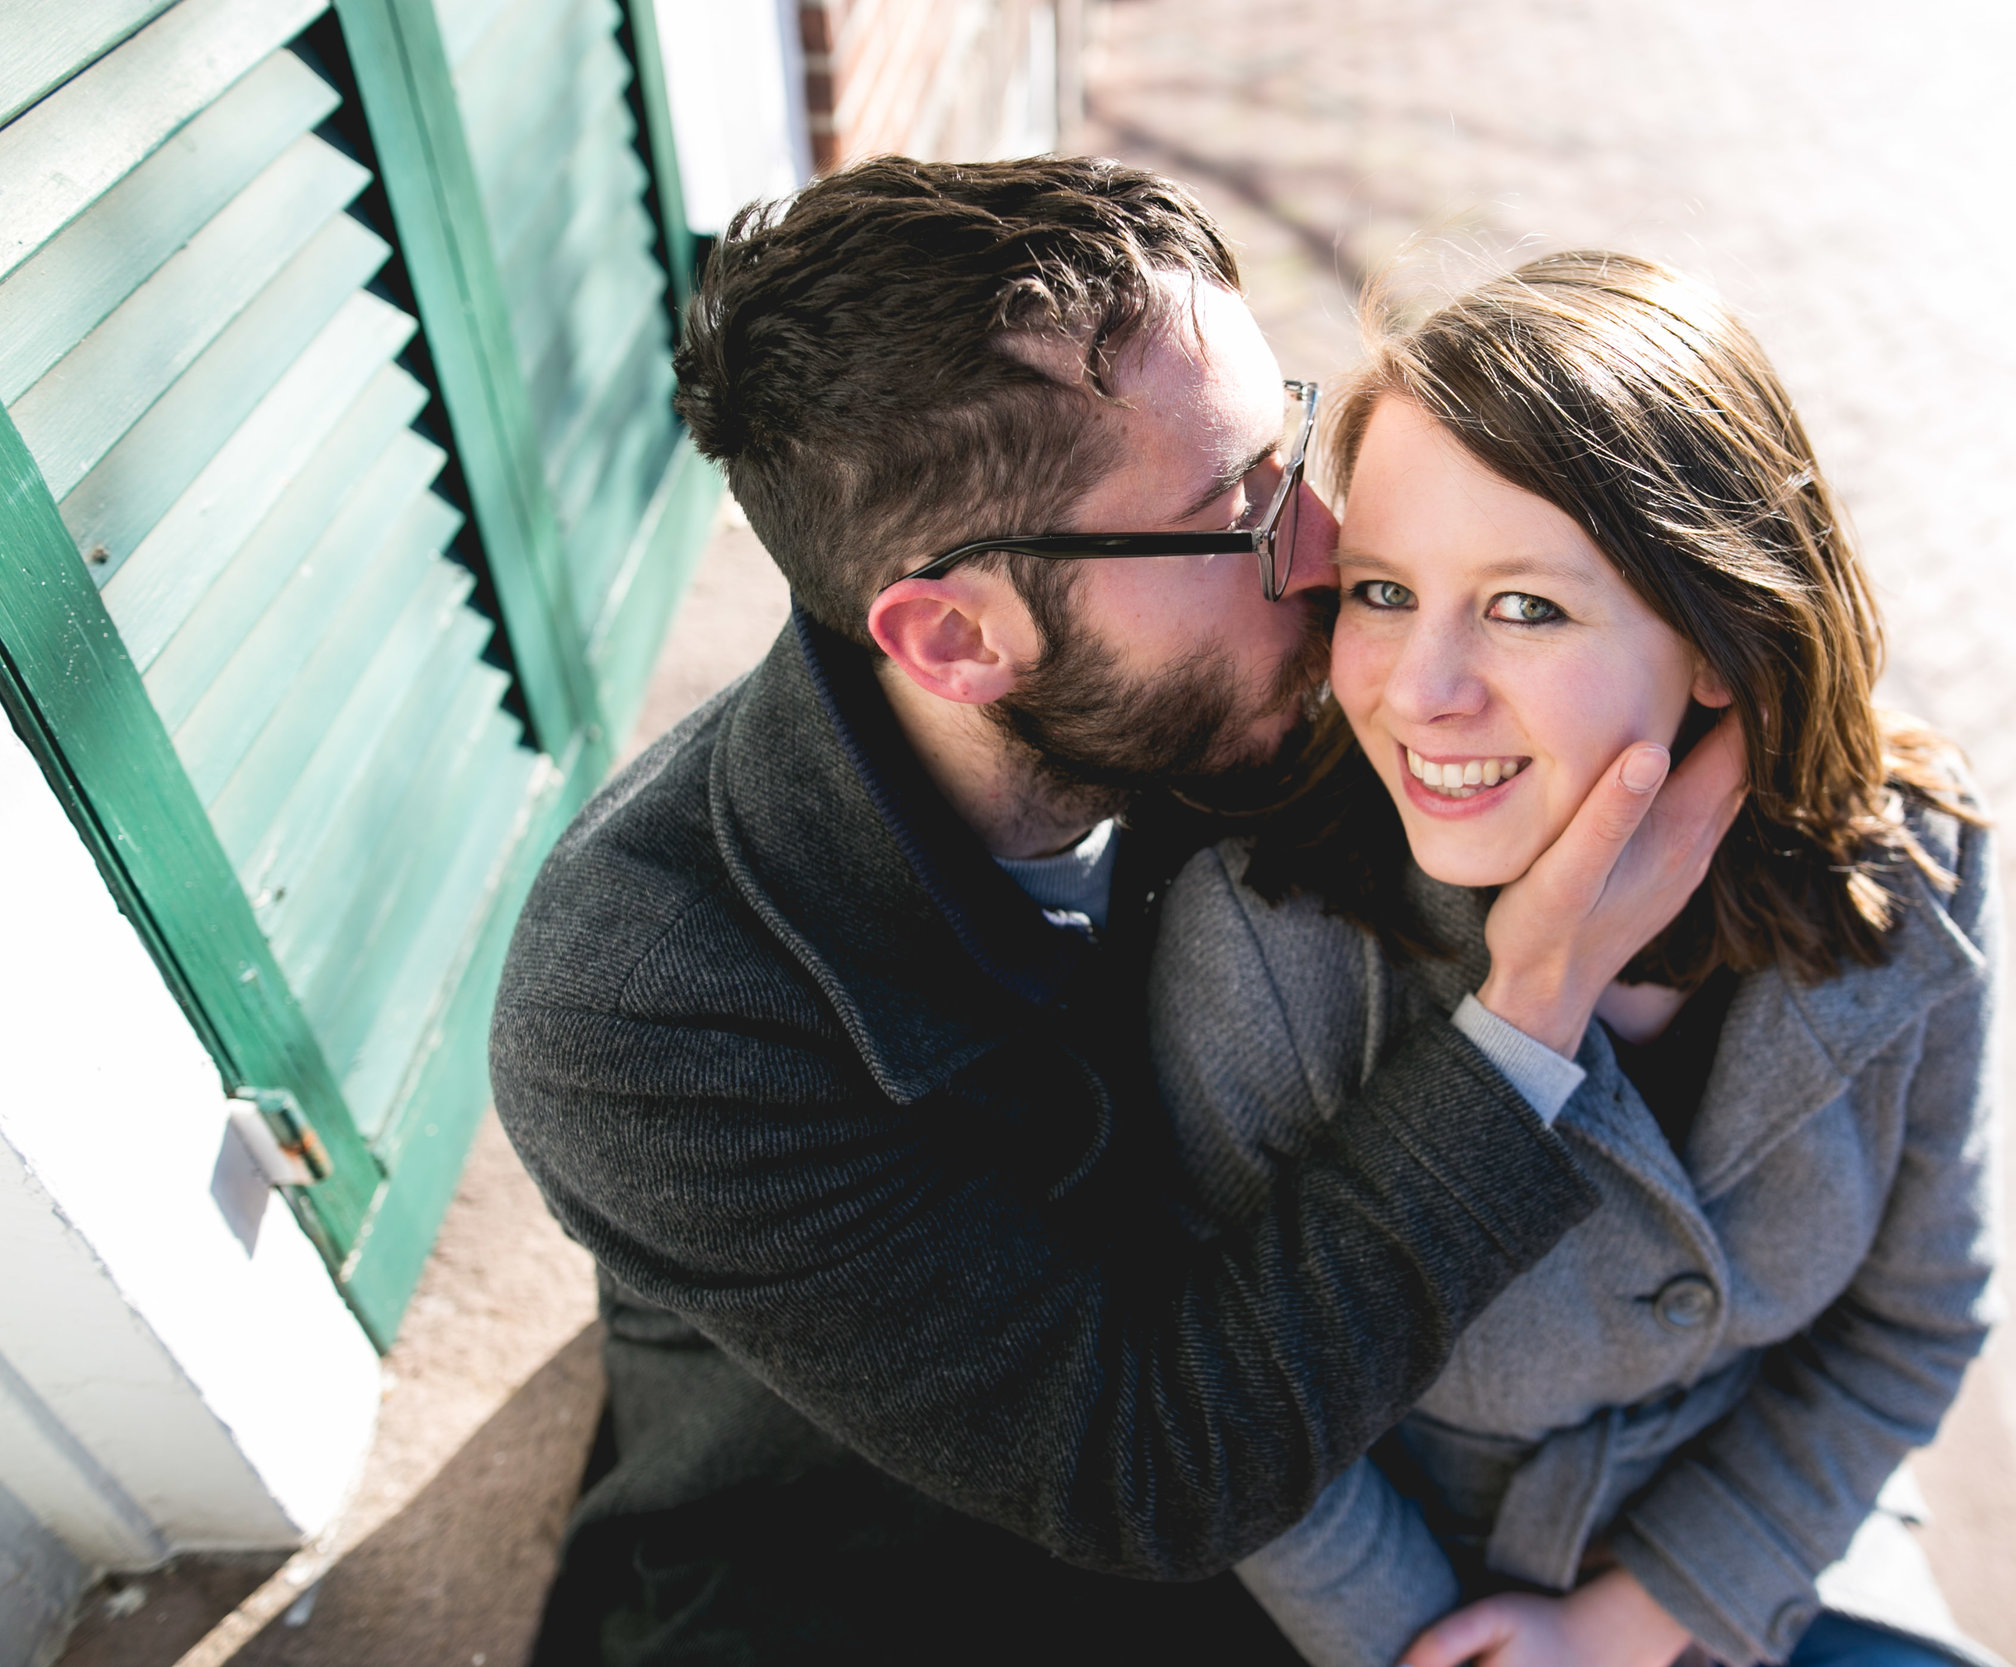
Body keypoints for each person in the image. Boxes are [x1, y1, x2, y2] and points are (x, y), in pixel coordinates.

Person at [489, 159, 1745, 1663]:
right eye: (1240, 513)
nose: (1330, 553)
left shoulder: (1249, 690)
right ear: (956, 638)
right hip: (901, 1565)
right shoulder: (646, 1011)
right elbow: (1145, 1473)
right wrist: (1532, 1006)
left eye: (1291, 454)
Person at [1147, 253, 2001, 1667]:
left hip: (1775, 1556)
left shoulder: (1911, 870)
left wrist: (1641, 1618)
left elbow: (1918, 1323)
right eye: (1380, 592)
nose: (1419, 690)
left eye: (1525, 608)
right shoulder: (1271, 940)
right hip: (1430, 1600)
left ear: (1722, 641)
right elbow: (1254, 1428)